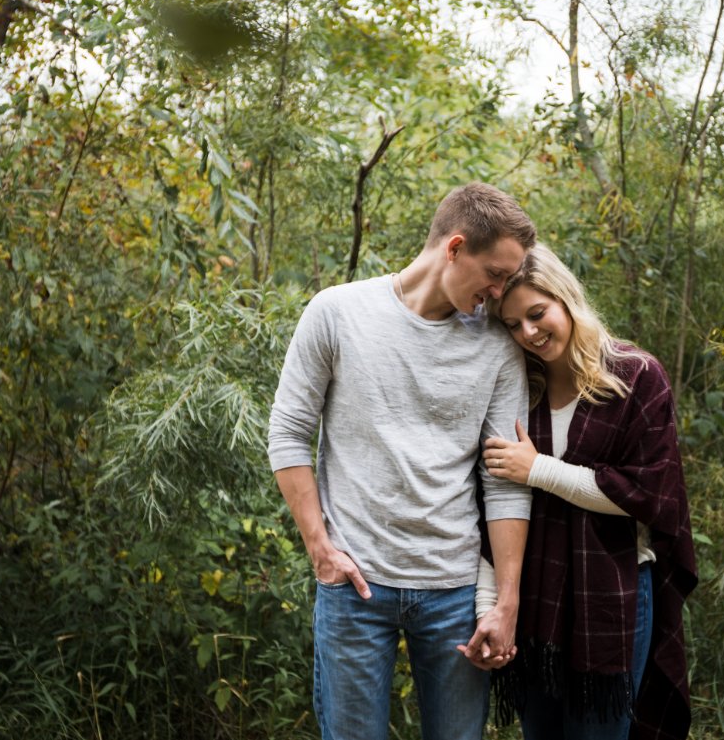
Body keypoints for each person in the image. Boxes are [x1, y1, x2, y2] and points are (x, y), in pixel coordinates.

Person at [267, 182, 536, 740]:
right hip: (355, 588)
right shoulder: (337, 312)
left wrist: (505, 601)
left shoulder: (499, 346)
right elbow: (289, 432)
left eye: (508, 279)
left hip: (457, 592)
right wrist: (320, 547)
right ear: (455, 247)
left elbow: (506, 480)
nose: (500, 290)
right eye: (496, 273)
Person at [473, 244, 698, 740]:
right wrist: (489, 606)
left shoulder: (635, 377)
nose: (528, 333)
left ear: (565, 298)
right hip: (535, 597)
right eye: (513, 325)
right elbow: (489, 503)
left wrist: (539, 469)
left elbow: (646, 494)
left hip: (613, 595)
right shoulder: (517, 389)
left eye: (537, 314)